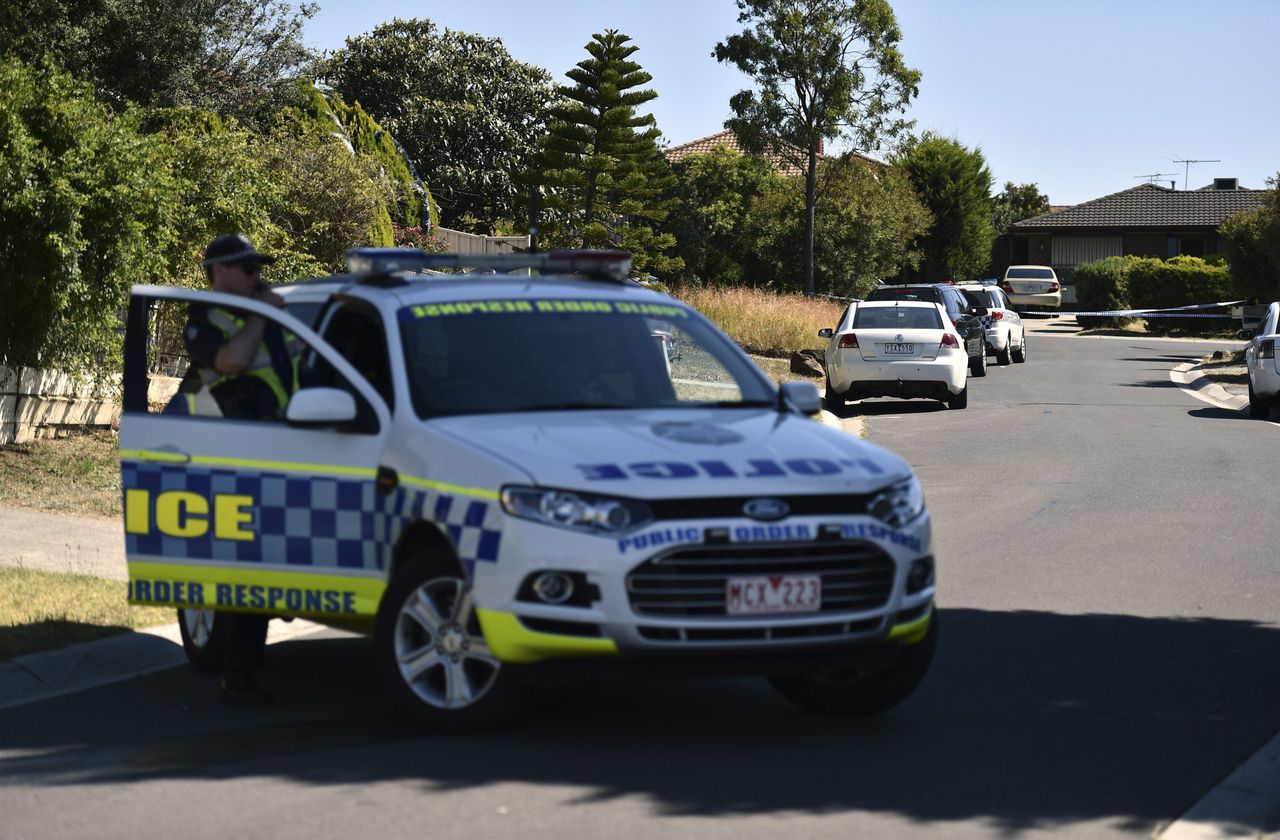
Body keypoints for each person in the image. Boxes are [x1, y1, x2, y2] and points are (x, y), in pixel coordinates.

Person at [177, 233, 301, 706]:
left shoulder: (267, 314)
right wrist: (259, 313)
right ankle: (237, 672)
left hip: (286, 448)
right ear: (220, 271)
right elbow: (231, 360)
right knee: (252, 567)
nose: (257, 277)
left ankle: (245, 663)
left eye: (258, 270)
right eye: (249, 270)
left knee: (265, 566)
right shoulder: (203, 320)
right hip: (237, 456)